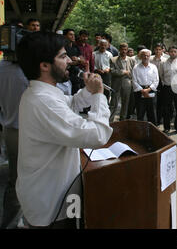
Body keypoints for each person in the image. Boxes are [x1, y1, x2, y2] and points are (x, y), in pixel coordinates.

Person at [16, 31, 112, 228]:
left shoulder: (44, 93)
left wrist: (88, 89)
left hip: (58, 195)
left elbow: (72, 103)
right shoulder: (44, 102)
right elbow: (98, 135)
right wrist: (98, 95)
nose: (69, 60)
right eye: (62, 56)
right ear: (44, 65)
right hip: (51, 205)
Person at [0, 53, 28, 228]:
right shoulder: (30, 72)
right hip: (21, 131)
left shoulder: (3, 69)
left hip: (10, 128)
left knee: (16, 180)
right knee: (19, 181)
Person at [161, 45, 177, 133]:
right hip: (167, 87)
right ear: (168, 52)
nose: (173, 53)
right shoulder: (164, 62)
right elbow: (161, 75)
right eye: (171, 51)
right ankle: (166, 127)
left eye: (175, 51)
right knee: (166, 108)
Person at [110, 43, 135, 122]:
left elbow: (133, 72)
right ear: (119, 50)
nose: (124, 51)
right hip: (116, 83)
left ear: (127, 50)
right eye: (122, 49)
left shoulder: (131, 60)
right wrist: (123, 72)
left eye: (125, 49)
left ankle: (122, 120)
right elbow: (112, 71)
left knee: (125, 103)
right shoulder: (113, 59)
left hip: (127, 83)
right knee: (113, 103)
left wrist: (129, 76)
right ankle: (110, 120)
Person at [132, 49, 159, 123]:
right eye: (144, 55)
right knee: (140, 113)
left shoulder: (153, 67)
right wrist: (142, 90)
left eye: (148, 55)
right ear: (140, 56)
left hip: (151, 90)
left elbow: (156, 81)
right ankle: (140, 132)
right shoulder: (136, 67)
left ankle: (152, 130)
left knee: (152, 113)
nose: (146, 57)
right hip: (139, 92)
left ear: (150, 57)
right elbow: (134, 81)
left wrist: (148, 90)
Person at [63, 29, 84, 94]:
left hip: (75, 76)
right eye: (70, 34)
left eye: (73, 35)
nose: (73, 36)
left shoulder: (75, 47)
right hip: (65, 76)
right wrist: (75, 62)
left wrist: (77, 59)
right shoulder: (62, 47)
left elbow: (82, 60)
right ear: (65, 36)